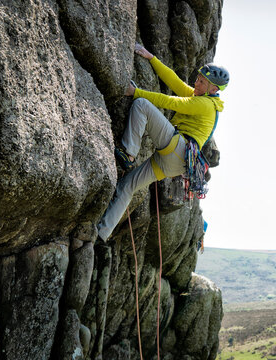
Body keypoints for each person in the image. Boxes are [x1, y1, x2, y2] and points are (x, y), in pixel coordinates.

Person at [97, 43, 229, 242]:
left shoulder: (204, 104)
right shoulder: (200, 97)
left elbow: (171, 102)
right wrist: (151, 58)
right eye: (198, 79)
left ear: (213, 88)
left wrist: (135, 92)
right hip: (176, 163)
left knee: (141, 104)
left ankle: (129, 152)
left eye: (202, 82)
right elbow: (174, 81)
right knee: (128, 186)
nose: (197, 83)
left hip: (179, 148)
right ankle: (101, 234)